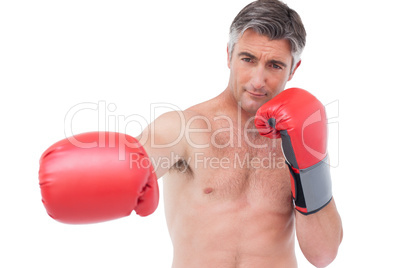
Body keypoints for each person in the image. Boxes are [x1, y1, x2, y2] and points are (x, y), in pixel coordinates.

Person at [39, 0, 343, 267]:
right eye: (247, 59)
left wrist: (308, 167)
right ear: (228, 55)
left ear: (294, 69)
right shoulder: (184, 129)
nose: (258, 80)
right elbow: (135, 162)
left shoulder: (299, 137)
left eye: (275, 65)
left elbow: (323, 254)